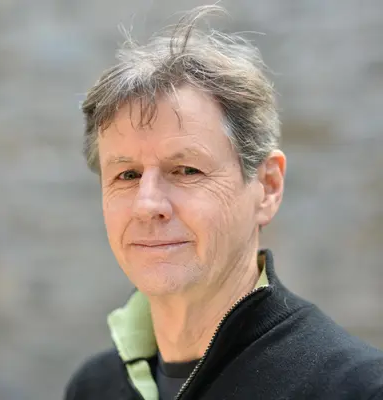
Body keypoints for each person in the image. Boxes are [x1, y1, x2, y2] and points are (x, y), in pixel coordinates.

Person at [64, 5, 383, 400]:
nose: (147, 204)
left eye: (186, 170)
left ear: (267, 186)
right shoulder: (93, 388)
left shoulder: (357, 389)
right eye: (127, 175)